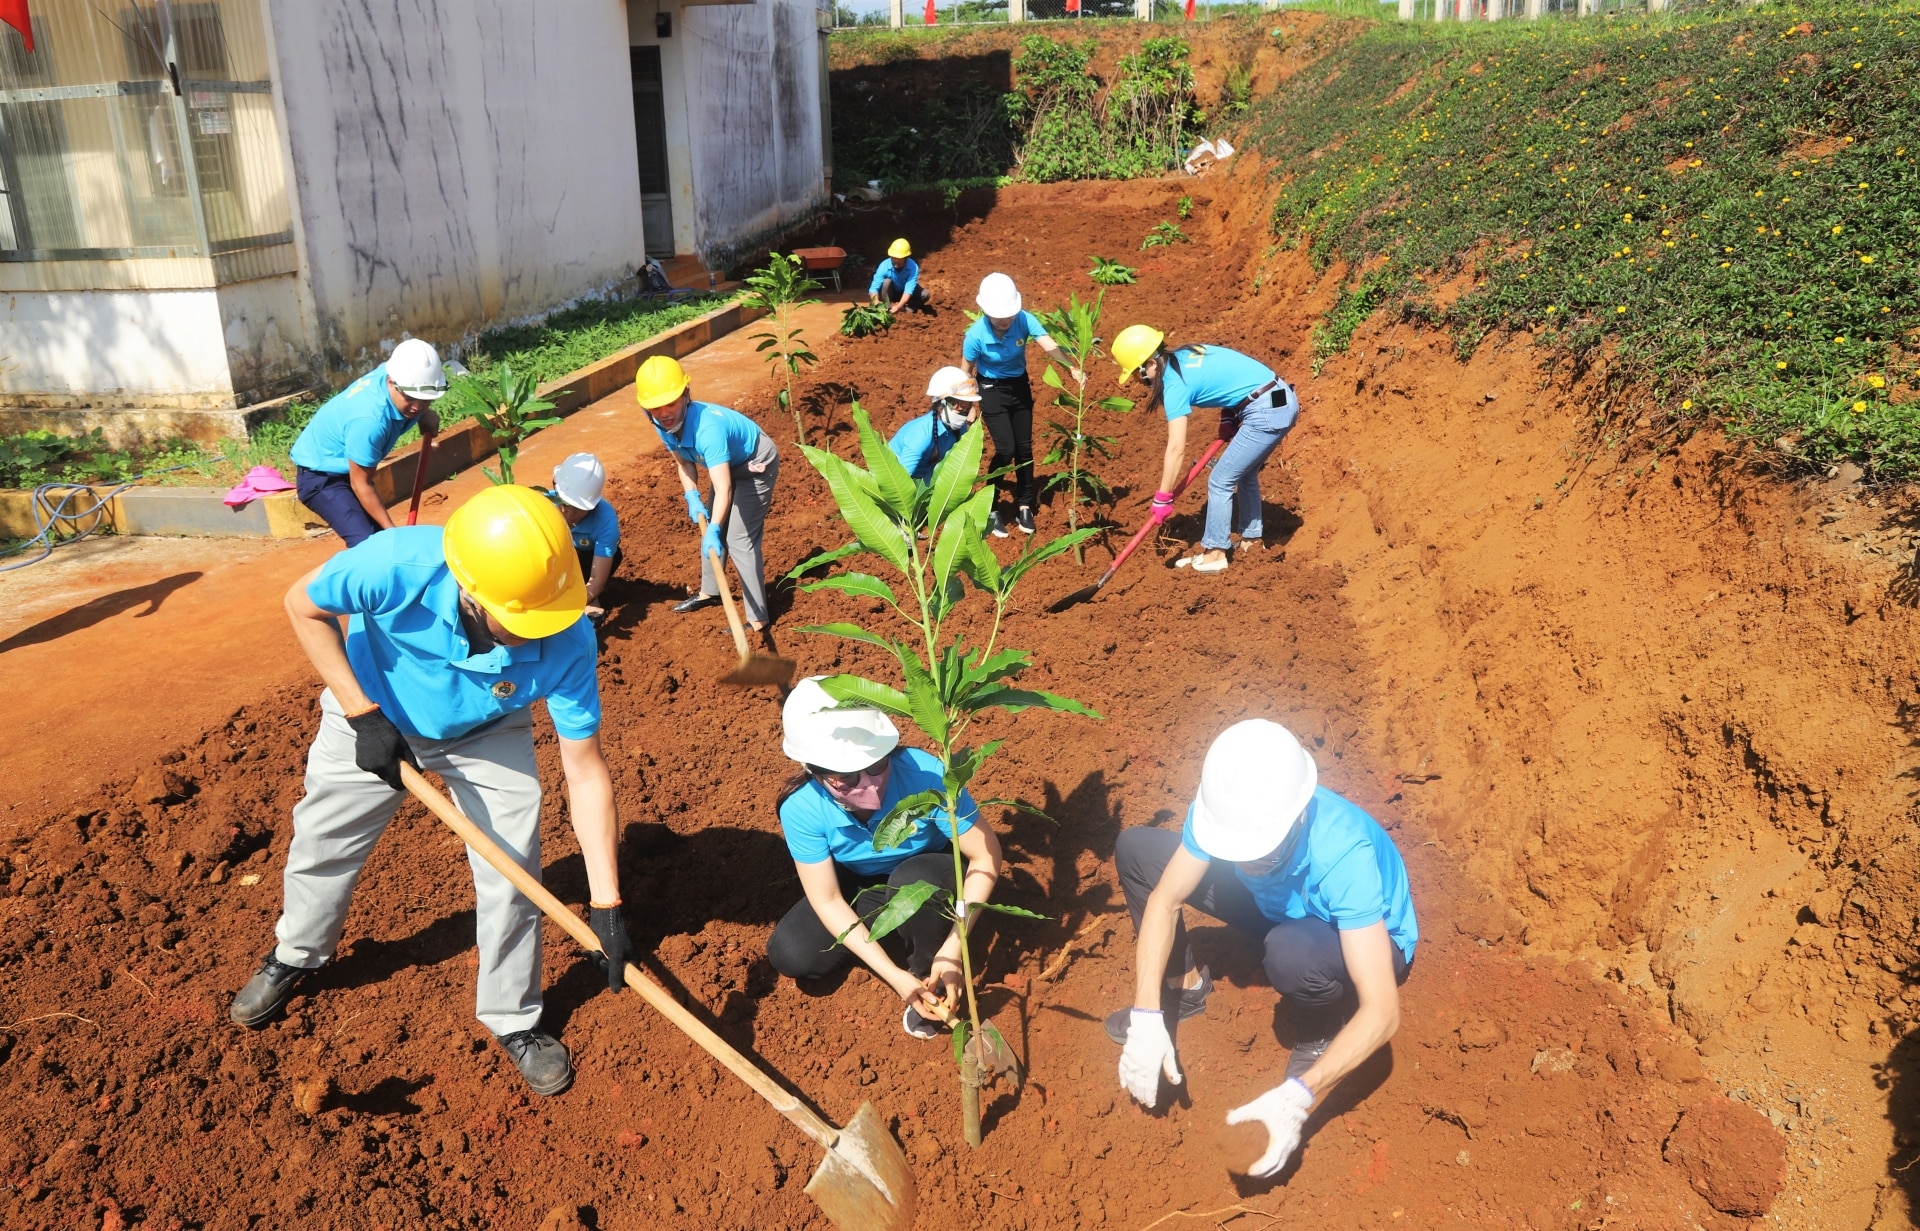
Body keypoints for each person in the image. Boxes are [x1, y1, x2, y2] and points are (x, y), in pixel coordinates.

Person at [228, 485, 631, 1098]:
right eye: (519, 621)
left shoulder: (567, 636)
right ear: (472, 590)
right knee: (324, 838)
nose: (536, 634)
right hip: (371, 710)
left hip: (487, 728)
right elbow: (301, 605)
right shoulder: (394, 563)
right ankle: (297, 954)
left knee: (514, 867)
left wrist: (606, 902)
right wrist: (362, 714)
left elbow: (585, 769)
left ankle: (513, 1018)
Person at [1109, 719, 1416, 1179]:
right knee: (1137, 850)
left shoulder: (1343, 853)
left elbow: (1382, 1010)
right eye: (1237, 854)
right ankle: (1185, 989)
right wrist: (1147, 1014)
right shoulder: (1228, 814)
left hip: (1358, 936)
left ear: (1298, 819)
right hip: (1280, 907)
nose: (1247, 866)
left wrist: (1298, 1100)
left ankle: (1319, 1032)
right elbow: (1165, 898)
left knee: (1291, 954)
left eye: (1263, 855)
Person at [768, 677, 1003, 1039]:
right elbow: (827, 898)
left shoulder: (926, 774)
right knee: (793, 955)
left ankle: (931, 979)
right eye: (846, 777)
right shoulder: (802, 807)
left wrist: (952, 951)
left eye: (877, 765)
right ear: (812, 770)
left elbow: (986, 856)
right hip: (862, 881)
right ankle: (902, 938)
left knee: (913, 880)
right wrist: (894, 976)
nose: (870, 784)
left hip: (930, 867)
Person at [1110, 325, 1298, 576]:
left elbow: (1176, 449)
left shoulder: (1174, 384)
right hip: (1277, 398)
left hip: (1266, 411)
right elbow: (1231, 373)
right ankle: (1250, 543)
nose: (1137, 380)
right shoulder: (1190, 353)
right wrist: (1229, 414)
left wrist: (1162, 496)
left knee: (1220, 481)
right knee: (1245, 474)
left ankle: (1215, 554)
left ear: (1150, 364)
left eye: (1136, 373)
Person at [635, 355, 780, 630]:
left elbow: (724, 487)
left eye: (671, 403)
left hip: (755, 465)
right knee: (713, 528)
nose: (664, 412)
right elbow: (685, 463)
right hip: (725, 466)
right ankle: (710, 593)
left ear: (686, 395)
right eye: (655, 407)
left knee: (737, 537)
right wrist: (692, 496)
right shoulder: (664, 425)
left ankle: (758, 617)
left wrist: (714, 525)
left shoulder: (707, 430)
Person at [289, 337, 447, 547]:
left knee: (378, 540)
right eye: (410, 397)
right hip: (322, 478)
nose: (418, 406)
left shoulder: (394, 375)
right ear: (392, 382)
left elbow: (417, 400)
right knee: (369, 545)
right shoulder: (370, 421)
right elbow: (360, 483)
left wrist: (426, 413)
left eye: (427, 399)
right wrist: (394, 536)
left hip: (347, 468)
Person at [959, 273, 1082, 538]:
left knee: (1024, 449)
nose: (1006, 320)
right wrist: (969, 404)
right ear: (986, 311)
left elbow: (1047, 344)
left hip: (1019, 387)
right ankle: (990, 507)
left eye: (1009, 314)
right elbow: (966, 370)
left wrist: (1071, 366)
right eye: (999, 316)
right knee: (1006, 449)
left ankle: (1024, 504)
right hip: (990, 390)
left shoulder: (1024, 319)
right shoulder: (975, 335)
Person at [548, 452, 621, 622]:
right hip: (553, 565)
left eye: (578, 508)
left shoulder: (606, 520)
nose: (569, 513)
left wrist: (569, 607)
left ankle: (585, 596)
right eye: (565, 504)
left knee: (609, 555)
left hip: (586, 562)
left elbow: (598, 579)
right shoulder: (544, 505)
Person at [888, 366, 980, 482]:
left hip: (924, 479)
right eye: (959, 406)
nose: (963, 414)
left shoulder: (960, 428)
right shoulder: (922, 435)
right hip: (895, 480)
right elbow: (898, 482)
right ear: (942, 403)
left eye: (967, 407)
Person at [870, 238, 928, 314]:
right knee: (886, 282)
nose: (896, 261)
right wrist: (876, 303)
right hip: (890, 293)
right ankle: (887, 308)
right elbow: (874, 288)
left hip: (905, 294)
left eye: (900, 259)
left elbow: (908, 290)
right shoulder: (884, 266)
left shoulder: (913, 267)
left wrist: (899, 306)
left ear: (906, 258)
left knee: (925, 294)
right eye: (894, 258)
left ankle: (907, 309)